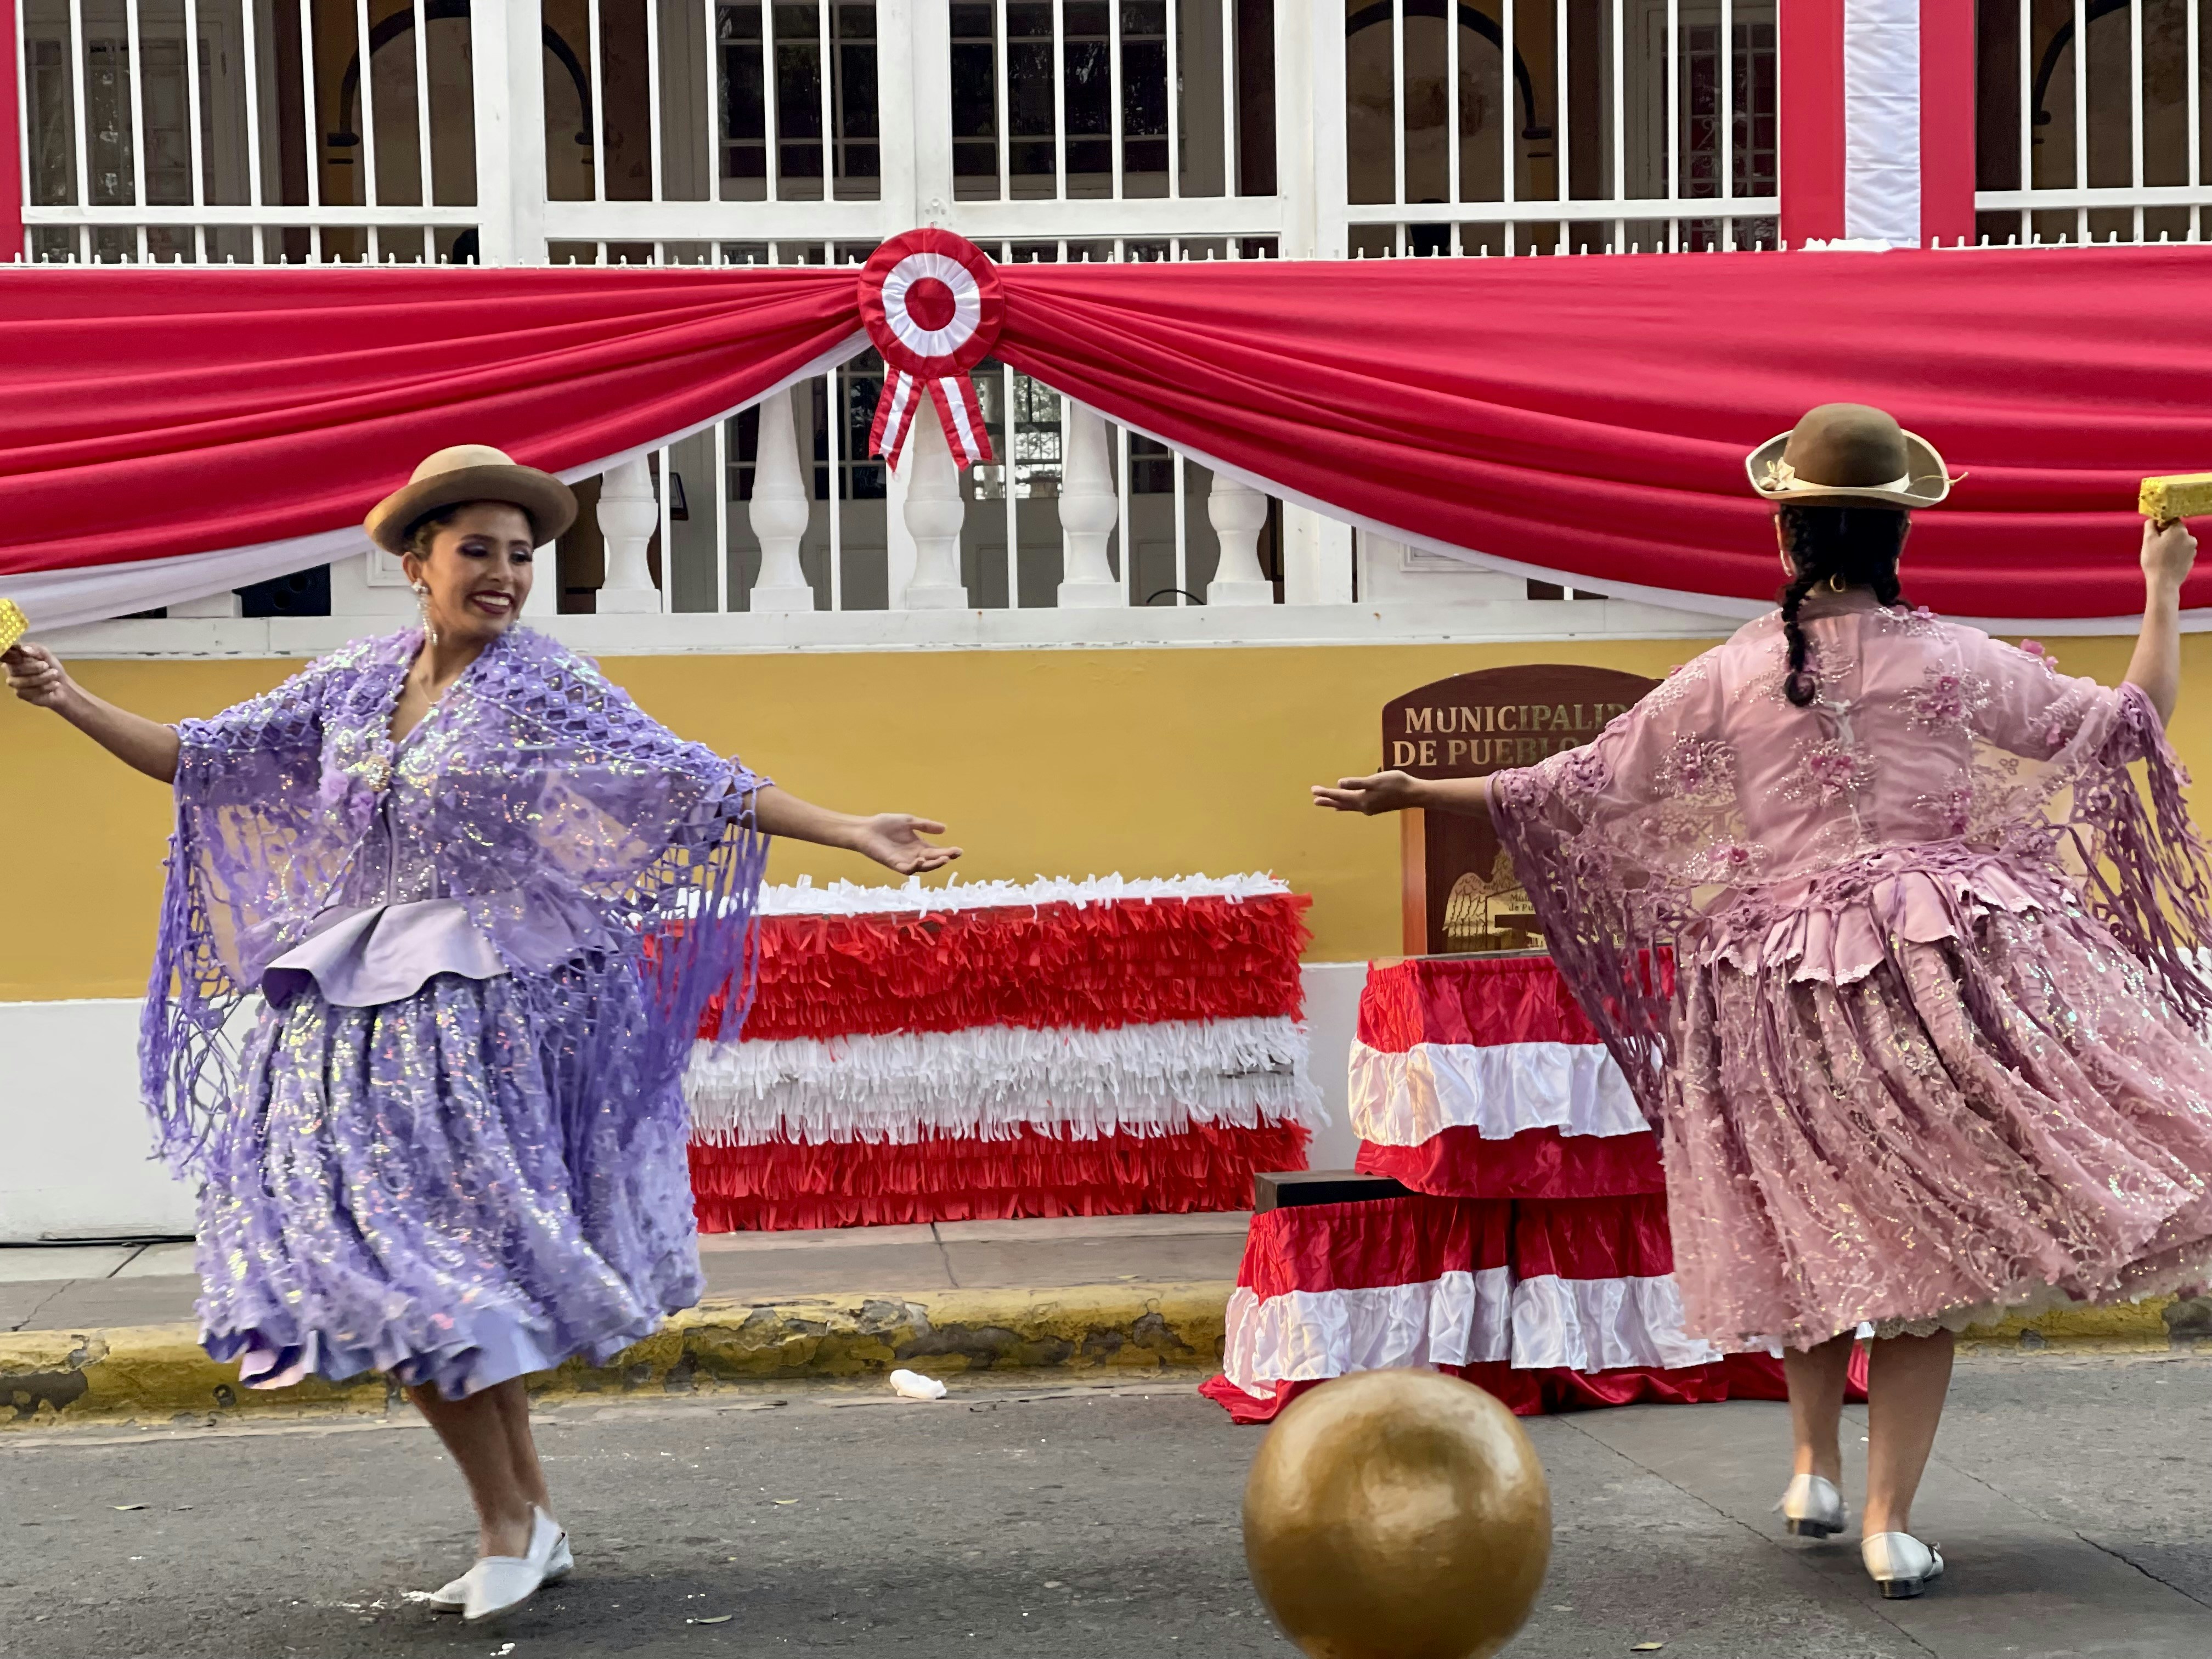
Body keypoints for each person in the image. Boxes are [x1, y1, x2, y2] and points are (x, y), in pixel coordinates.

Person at [3, 444, 960, 1624]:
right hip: (349, 1021)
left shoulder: (545, 684)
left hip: (486, 1025)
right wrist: (65, 697)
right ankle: (527, 1521)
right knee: (411, 1274)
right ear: (418, 562)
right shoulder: (352, 681)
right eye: (478, 552)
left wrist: (849, 827)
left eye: (520, 556)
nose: (504, 575)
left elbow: (693, 783)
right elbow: (200, 760)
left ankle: (511, 1524)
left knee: (434, 1282)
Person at [1313, 403, 2212, 1599]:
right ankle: (1891, 1521)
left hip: (1778, 993)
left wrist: (1415, 788)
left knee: (1812, 1220)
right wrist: (2163, 586)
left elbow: (1577, 789)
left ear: (1786, 537)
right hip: (1946, 985)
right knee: (1927, 1256)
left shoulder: (1732, 675)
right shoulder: (1955, 662)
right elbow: (2125, 731)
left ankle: (1810, 1471)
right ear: (1898, 539)